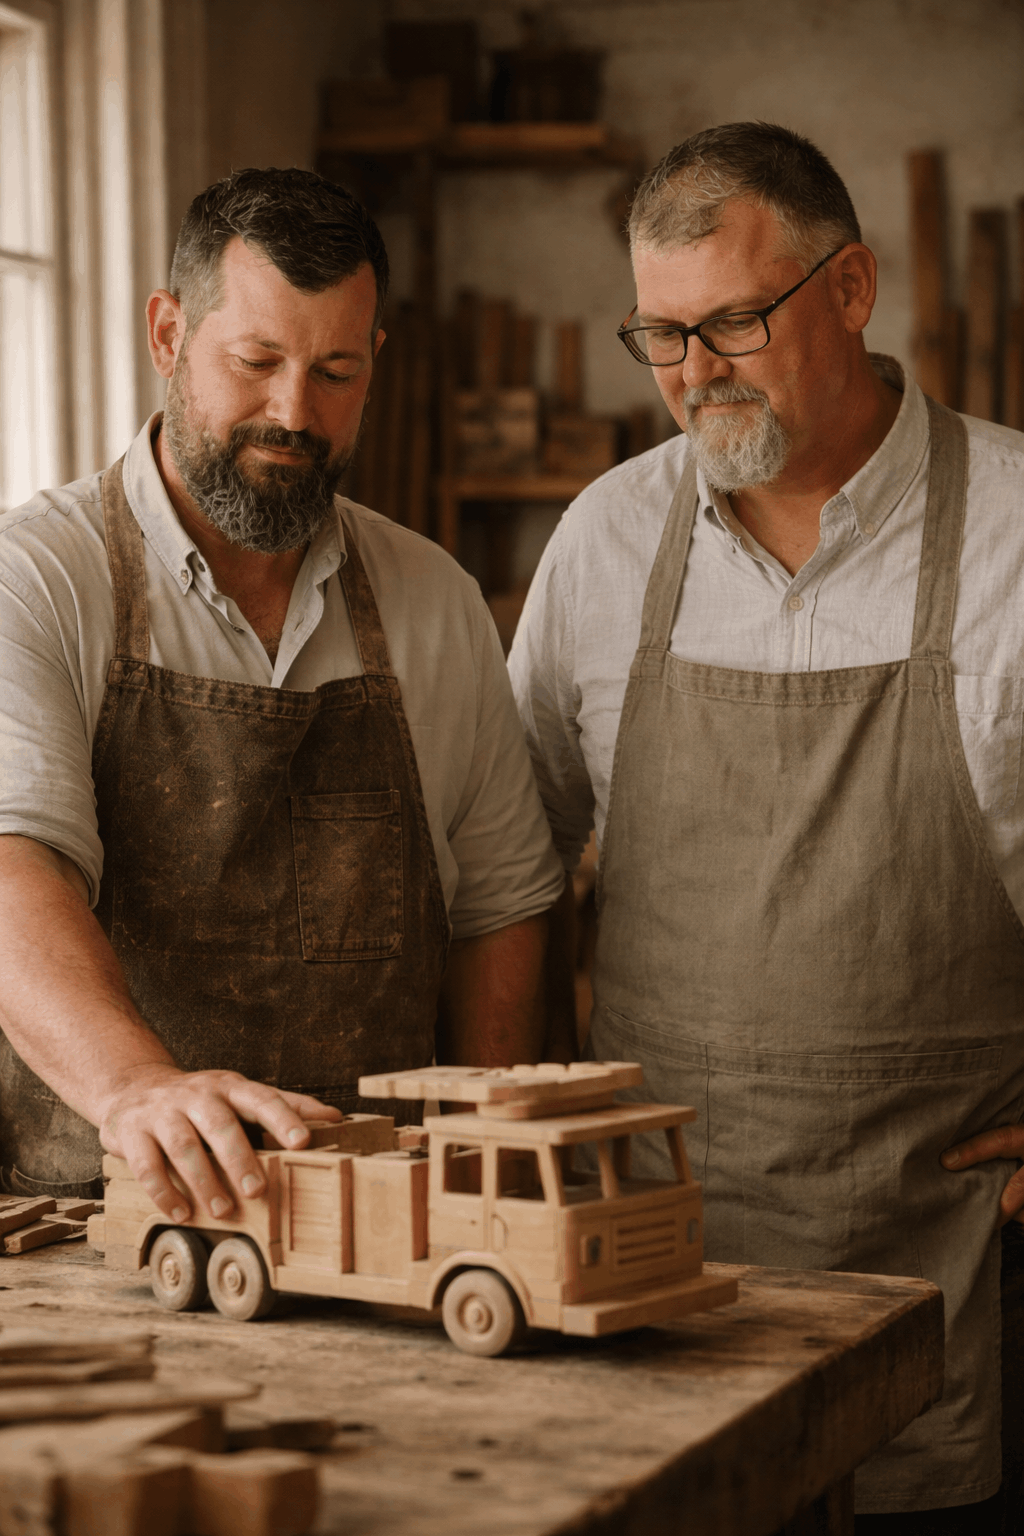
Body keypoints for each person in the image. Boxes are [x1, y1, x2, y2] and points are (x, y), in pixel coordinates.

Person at [509, 122, 1024, 1530]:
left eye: (731, 323)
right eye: (660, 337)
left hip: (948, 1254)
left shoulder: (1016, 537)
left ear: (851, 288)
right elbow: (509, 868)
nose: (692, 378)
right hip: (663, 1254)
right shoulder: (606, 545)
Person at [0, 168, 564, 1234]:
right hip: (91, 1220)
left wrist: (485, 1174)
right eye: (255, 362)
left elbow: (500, 910)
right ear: (168, 332)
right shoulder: (36, 579)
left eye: (336, 371)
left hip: (382, 1224)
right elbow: (10, 866)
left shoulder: (434, 602)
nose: (293, 414)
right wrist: (136, 1089)